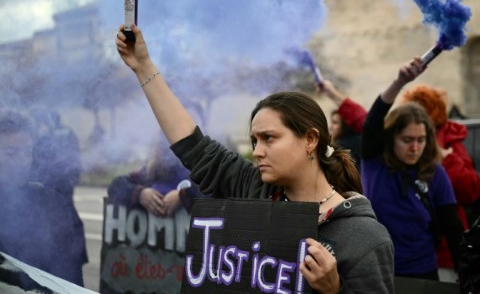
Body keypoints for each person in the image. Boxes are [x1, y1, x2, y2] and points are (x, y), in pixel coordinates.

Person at [115, 24, 394, 293]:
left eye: (269, 138)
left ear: (310, 139)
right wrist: (143, 67)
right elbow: (193, 146)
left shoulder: (365, 238)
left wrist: (333, 291)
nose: (257, 151)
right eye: (254, 141)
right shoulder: (255, 189)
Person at [361, 58, 464, 280]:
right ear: (391, 137)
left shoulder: (436, 174)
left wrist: (467, 278)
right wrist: (399, 82)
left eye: (421, 139)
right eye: (407, 139)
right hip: (377, 273)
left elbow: (453, 229)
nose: (415, 147)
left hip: (423, 273)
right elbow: (373, 121)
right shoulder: (374, 162)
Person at [401, 84, 480, 281]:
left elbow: (471, 190)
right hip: (411, 249)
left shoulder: (450, 142)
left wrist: (448, 160)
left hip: (444, 249)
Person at [0, 109, 85, 287]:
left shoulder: (51, 202)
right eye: (12, 153)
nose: (23, 161)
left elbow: (69, 275)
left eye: (27, 152)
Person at [108, 138, 207, 215]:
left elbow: (213, 191)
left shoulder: (199, 172)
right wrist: (140, 194)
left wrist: (183, 196)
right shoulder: (150, 174)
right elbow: (116, 186)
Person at [317, 80, 367, 166]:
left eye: (335, 123)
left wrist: (332, 93)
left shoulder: (343, 148)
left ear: (346, 126)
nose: (330, 127)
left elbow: (360, 117)